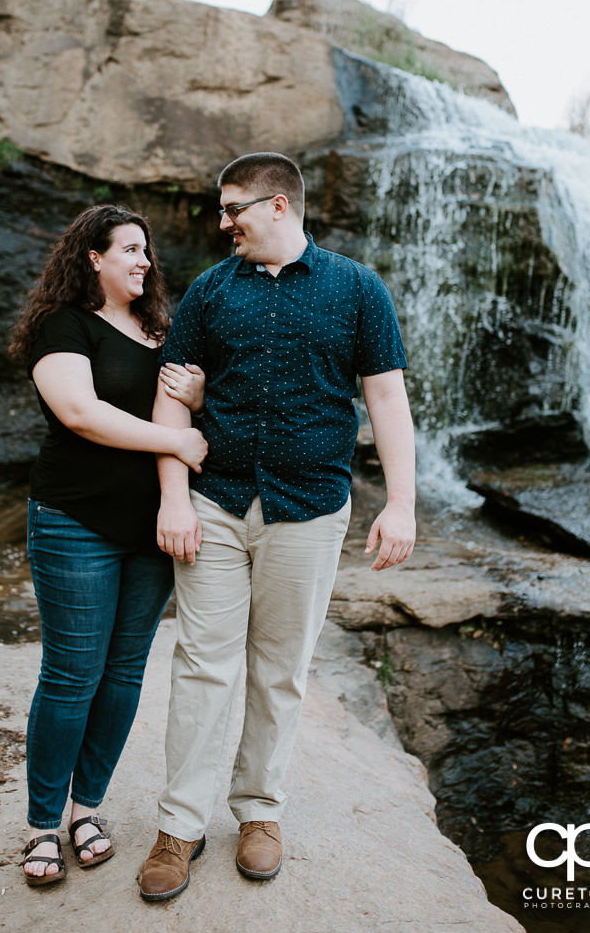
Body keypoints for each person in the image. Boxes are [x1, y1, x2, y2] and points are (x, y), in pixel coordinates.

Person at [139, 153, 416, 902]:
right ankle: (180, 826)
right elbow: (172, 399)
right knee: (203, 664)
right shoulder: (208, 290)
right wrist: (171, 498)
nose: (222, 221)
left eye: (233, 208)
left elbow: (385, 400)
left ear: (279, 206)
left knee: (280, 669)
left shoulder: (357, 288)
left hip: (311, 506)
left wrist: (401, 504)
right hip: (216, 502)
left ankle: (259, 812)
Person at [8, 204, 208, 886]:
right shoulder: (62, 326)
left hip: (152, 530)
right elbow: (79, 413)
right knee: (72, 675)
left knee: (123, 674)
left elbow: (188, 405)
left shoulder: (163, 329)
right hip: (76, 520)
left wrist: (199, 397)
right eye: (128, 248)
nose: (143, 260)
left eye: (145, 250)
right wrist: (176, 439)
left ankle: (85, 809)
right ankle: (40, 824)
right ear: (92, 257)